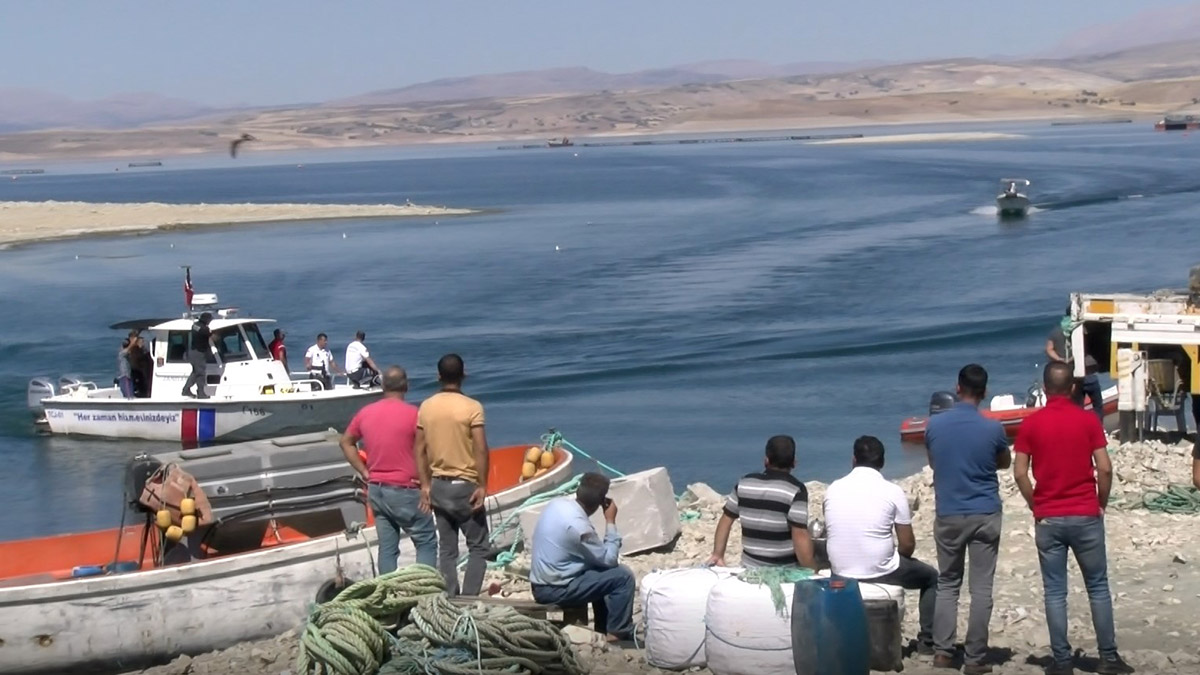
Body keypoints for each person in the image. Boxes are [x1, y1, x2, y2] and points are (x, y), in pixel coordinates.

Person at [1014, 362, 1134, 675]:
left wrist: (1034, 504)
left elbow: (1020, 473)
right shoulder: (1087, 421)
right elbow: (1105, 468)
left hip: (1049, 517)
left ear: (1044, 388)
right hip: (1085, 512)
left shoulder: (1031, 424)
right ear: (1071, 389)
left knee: (1055, 591)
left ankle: (1062, 661)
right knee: (1097, 587)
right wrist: (1101, 503)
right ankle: (1108, 657)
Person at [924, 364, 1011, 674]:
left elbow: (934, 462)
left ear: (957, 388)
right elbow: (1003, 462)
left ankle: (943, 653)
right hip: (984, 511)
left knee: (948, 584)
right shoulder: (993, 428)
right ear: (985, 392)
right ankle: (975, 658)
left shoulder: (934, 426)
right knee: (981, 588)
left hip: (949, 511)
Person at [824, 435, 937, 656]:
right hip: (881, 570)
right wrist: (895, 553)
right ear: (882, 462)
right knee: (932, 578)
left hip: (840, 569)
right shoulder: (892, 491)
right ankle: (927, 643)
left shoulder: (833, 489)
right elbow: (907, 544)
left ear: (853, 459)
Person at [339, 366, 437, 573]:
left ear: (382, 386)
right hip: (406, 489)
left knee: (387, 549)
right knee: (426, 541)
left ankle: (389, 597)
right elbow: (426, 453)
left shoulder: (365, 413)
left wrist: (364, 472)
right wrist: (427, 485)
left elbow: (346, 442)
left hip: (376, 490)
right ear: (407, 386)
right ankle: (425, 592)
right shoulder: (414, 414)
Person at [415, 354, 490, 596]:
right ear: (463, 375)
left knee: (447, 550)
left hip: (438, 485)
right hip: (464, 487)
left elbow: (419, 449)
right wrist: (483, 484)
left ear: (438, 377)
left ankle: (450, 597)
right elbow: (480, 448)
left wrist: (425, 485)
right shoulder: (472, 407)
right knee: (478, 547)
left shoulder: (426, 406)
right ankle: (468, 599)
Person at [530, 472, 635, 642]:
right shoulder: (579, 527)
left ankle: (603, 629)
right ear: (601, 501)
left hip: (540, 583)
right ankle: (618, 633)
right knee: (623, 577)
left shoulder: (556, 505)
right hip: (554, 590)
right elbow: (610, 560)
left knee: (600, 572)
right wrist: (610, 521)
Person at [705, 435, 815, 569]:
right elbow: (800, 535)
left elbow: (726, 520)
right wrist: (811, 570)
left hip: (749, 567)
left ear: (766, 461)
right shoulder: (795, 490)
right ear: (794, 463)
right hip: (784, 569)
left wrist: (718, 555)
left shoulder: (744, 483)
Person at [1046, 308, 1103, 422]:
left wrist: (1060, 360)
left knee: (1077, 405)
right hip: (1087, 373)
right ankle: (1098, 426)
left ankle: (1078, 425)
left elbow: (1049, 349)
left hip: (1069, 376)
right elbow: (1087, 349)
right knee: (1097, 404)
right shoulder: (1082, 329)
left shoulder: (1056, 331)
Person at [181, 313, 215, 399]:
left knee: (195, 372)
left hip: (192, 352)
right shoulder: (204, 329)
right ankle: (201, 393)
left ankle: (186, 389)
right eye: (210, 320)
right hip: (199, 353)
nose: (210, 321)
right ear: (206, 320)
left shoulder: (195, 325)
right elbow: (211, 336)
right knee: (200, 373)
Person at [117, 333, 137, 398]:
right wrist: (133, 341)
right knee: (129, 396)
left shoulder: (126, 355)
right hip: (124, 377)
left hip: (128, 377)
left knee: (131, 394)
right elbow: (129, 348)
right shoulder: (122, 354)